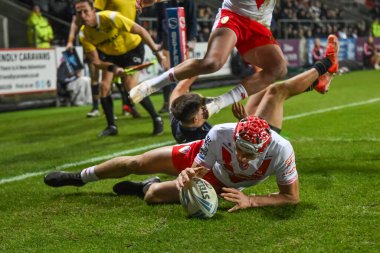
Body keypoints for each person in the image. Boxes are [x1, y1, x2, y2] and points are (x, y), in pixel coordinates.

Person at [44, 35, 339, 212]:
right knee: (137, 160)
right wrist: (187, 174)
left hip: (225, 178)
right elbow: (199, 165)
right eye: (240, 147)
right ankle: (79, 177)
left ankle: (148, 184)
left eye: (249, 153)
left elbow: (291, 197)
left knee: (152, 196)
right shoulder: (222, 133)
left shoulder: (280, 149)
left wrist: (253, 201)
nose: (242, 156)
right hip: (209, 163)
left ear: (266, 145)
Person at [130, 0, 301, 112]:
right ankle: (152, 85)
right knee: (212, 63)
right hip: (233, 17)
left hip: (259, 24)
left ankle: (218, 103)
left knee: (279, 69)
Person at [74, 0, 167, 136]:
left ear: (93, 10)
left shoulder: (110, 17)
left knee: (130, 86)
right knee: (104, 87)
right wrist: (113, 68)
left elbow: (141, 30)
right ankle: (112, 126)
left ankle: (156, 118)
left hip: (132, 49)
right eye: (79, 13)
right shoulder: (83, 34)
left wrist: (157, 53)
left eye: (85, 11)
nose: (83, 15)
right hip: (111, 55)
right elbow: (96, 62)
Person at [66, 0, 141, 118]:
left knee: (120, 79)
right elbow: (75, 21)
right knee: (99, 77)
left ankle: (127, 105)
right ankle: (98, 107)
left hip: (115, 40)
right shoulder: (84, 7)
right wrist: (70, 41)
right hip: (96, 41)